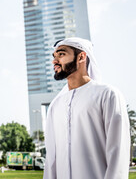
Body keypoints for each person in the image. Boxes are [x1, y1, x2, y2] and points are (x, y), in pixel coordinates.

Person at [44, 37, 130, 179]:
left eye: (61, 54)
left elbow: (118, 153)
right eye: (54, 56)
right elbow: (51, 159)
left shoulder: (107, 95)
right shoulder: (55, 105)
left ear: (81, 57)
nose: (54, 61)